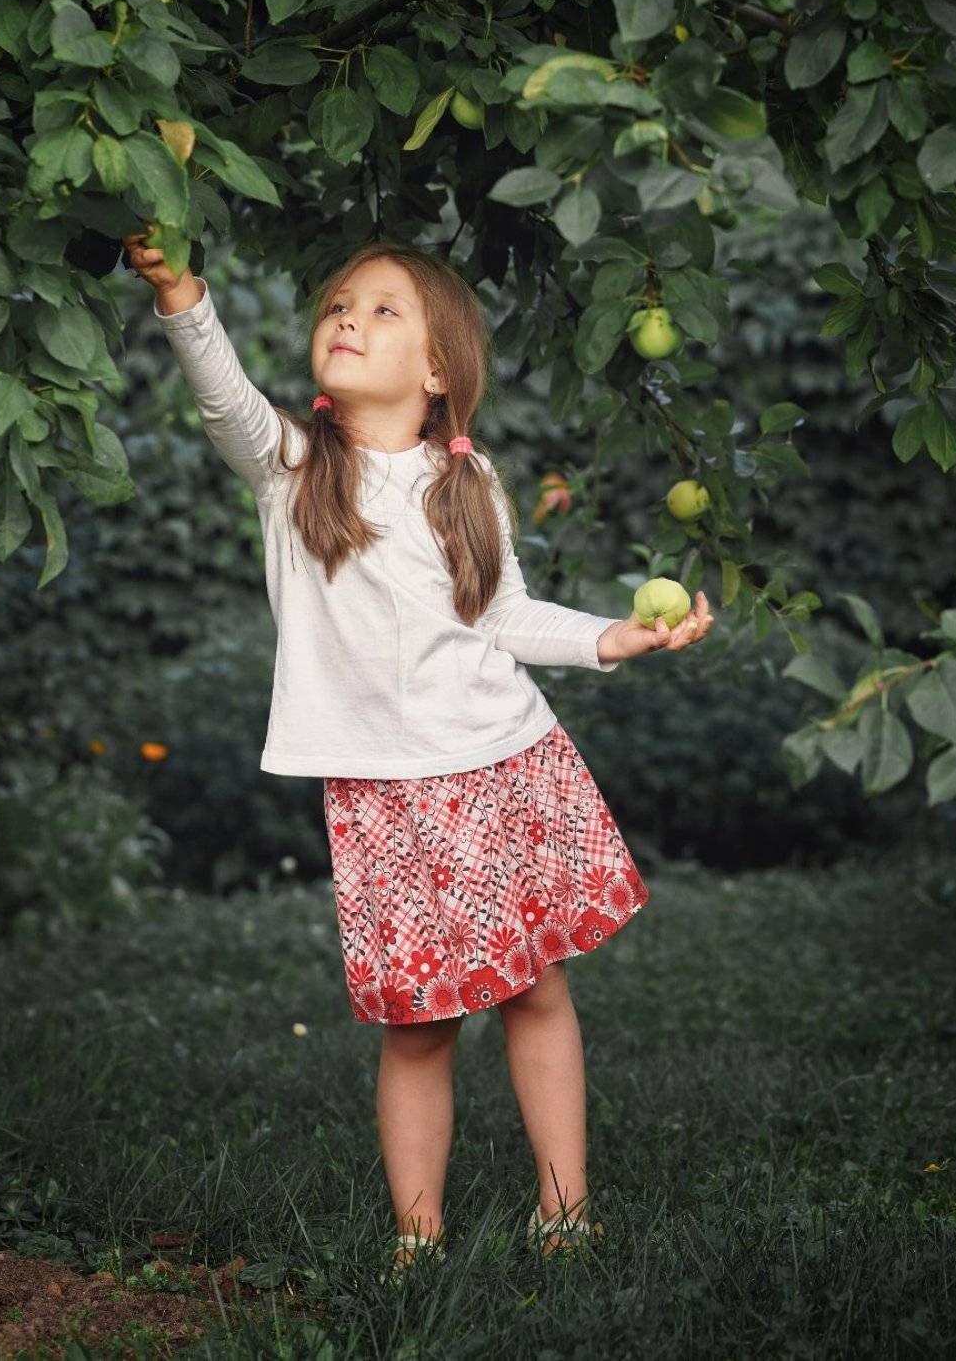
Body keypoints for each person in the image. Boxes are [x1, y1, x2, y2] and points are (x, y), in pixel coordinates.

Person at [121, 232, 715, 1280]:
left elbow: (506, 616)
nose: (349, 319)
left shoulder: (466, 481)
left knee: (537, 991)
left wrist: (610, 638)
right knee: (418, 1024)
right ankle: (417, 1241)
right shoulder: (294, 467)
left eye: (383, 309)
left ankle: (566, 1213)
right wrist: (180, 293)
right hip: (386, 795)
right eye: (338, 306)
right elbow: (222, 399)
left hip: (502, 762)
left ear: (438, 368)